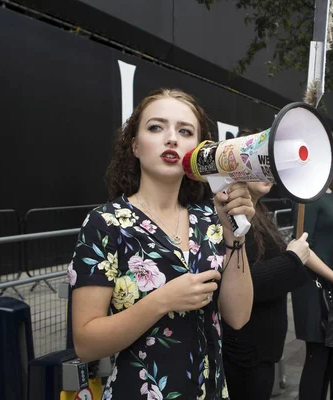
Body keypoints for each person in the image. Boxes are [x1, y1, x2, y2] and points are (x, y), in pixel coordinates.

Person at [69, 88, 255, 399]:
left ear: (196, 150)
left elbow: (237, 316)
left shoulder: (210, 217)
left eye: (185, 131)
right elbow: (86, 343)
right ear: (135, 146)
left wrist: (235, 236)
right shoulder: (105, 224)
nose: (171, 139)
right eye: (156, 127)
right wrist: (162, 300)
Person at [222, 130, 333, 400]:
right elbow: (245, 283)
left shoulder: (261, 213)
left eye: (269, 161)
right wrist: (293, 259)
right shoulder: (229, 216)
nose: (266, 168)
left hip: (262, 350)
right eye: (258, 160)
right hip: (245, 351)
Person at [291, 133, 333, 400]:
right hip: (314, 288)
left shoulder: (329, 193)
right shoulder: (307, 193)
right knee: (317, 359)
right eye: (332, 153)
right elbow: (302, 247)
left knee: (332, 358)